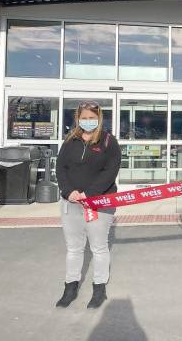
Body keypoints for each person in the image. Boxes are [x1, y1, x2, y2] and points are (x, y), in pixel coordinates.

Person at [55, 101, 121, 309]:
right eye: (84, 117)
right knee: (74, 248)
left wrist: (89, 194)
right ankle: (70, 287)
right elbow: (61, 168)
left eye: (92, 118)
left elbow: (110, 171)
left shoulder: (109, 142)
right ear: (78, 118)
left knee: (99, 247)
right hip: (71, 203)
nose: (88, 121)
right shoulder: (70, 141)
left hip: (99, 204)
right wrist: (69, 191)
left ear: (99, 118)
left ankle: (99, 288)